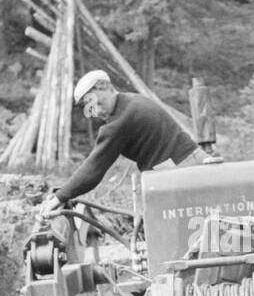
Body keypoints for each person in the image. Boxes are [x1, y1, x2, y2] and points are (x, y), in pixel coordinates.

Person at [38, 70, 206, 214]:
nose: (95, 111)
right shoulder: (132, 100)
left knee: (175, 235)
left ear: (104, 86)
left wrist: (60, 197)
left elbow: (93, 169)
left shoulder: (119, 123)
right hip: (194, 159)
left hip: (178, 173)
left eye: (94, 102)